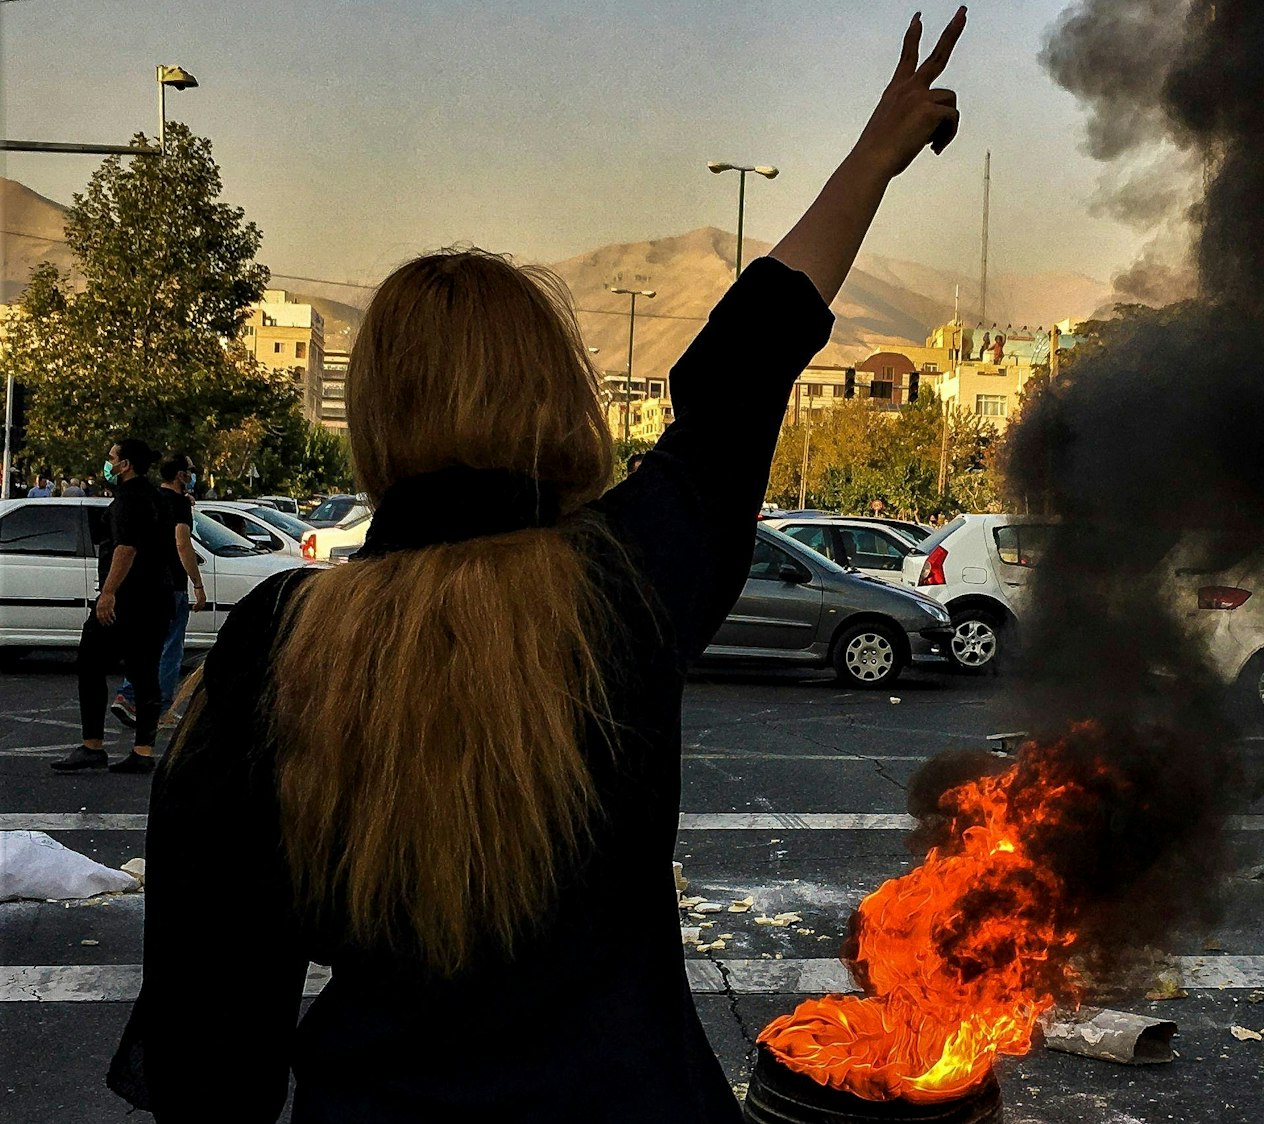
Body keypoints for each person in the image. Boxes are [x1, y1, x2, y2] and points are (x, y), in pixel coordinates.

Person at [108, 10, 965, 1120]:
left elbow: (210, 1035)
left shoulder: (282, 640)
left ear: (376, 416)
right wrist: (872, 156)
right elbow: (745, 364)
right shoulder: (627, 579)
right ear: (554, 392)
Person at [51, 438, 176, 774]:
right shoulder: (156, 497)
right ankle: (143, 750)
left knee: (90, 663)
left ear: (126, 465)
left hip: (128, 600)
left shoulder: (128, 499)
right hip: (156, 599)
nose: (107, 463)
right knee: (145, 672)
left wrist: (108, 593)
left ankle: (92, 745)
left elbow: (126, 549)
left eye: (112, 458)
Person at [109, 455, 208, 734]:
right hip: (171, 584)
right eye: (190, 470)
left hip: (144, 581)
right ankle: (160, 707)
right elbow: (182, 543)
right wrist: (197, 584)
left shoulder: (152, 497)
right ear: (180, 475)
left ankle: (128, 696)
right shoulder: (179, 505)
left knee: (145, 644)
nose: (192, 474)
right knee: (170, 648)